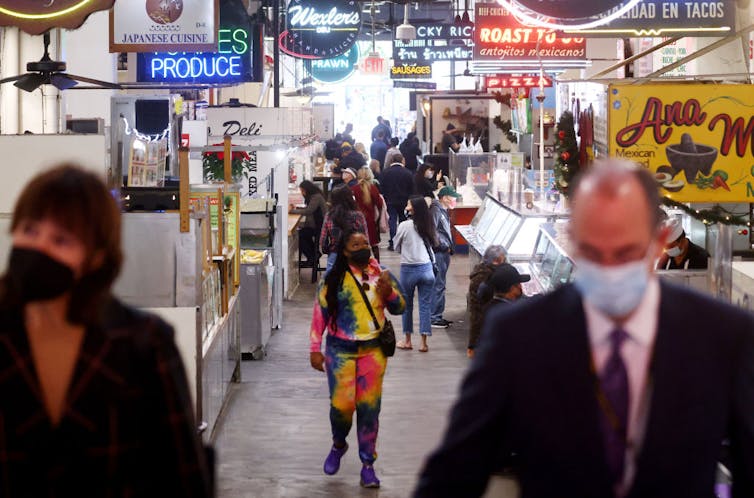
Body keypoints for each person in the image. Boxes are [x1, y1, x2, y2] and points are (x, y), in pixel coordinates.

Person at [414, 160, 754, 498]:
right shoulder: (519, 337)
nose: (609, 270)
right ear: (573, 238)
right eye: (593, 253)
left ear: (659, 240)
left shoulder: (722, 337)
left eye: (625, 253)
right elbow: (454, 472)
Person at [0, 165, 212, 496]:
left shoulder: (143, 344)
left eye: (61, 239)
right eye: (29, 229)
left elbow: (182, 476)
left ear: (96, 258)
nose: (39, 247)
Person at [309, 230, 406, 489]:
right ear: (345, 251)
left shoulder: (381, 274)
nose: (363, 247)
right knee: (341, 406)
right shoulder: (334, 279)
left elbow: (400, 308)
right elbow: (320, 312)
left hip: (373, 352)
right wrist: (314, 347)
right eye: (356, 244)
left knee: (369, 408)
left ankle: (367, 465)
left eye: (365, 243)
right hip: (340, 350)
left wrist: (390, 294)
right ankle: (339, 443)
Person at [394, 196, 437, 353]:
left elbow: (397, 246)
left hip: (409, 269)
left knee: (407, 305)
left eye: (408, 204)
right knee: (425, 306)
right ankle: (424, 343)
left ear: (412, 209)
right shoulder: (427, 223)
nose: (406, 205)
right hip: (426, 269)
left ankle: (407, 341)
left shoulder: (405, 225)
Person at [466, 245, 507, 358]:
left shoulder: (483, 271)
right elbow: (476, 316)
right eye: (504, 259)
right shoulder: (484, 278)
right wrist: (472, 346)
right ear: (496, 260)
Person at [429, 186, 460, 329]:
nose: (455, 201)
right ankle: (434, 317)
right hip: (439, 253)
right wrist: (443, 246)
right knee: (438, 284)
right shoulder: (436, 210)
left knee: (440, 284)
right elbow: (432, 231)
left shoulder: (442, 210)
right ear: (445, 198)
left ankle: (437, 315)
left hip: (443, 252)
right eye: (454, 198)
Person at [320, 186, 368, 272]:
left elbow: (323, 240)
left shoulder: (329, 215)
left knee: (331, 282)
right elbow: (365, 237)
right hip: (356, 255)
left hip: (335, 254)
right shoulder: (358, 215)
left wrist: (328, 250)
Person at [379, 153, 413, 252]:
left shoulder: (385, 172)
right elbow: (411, 188)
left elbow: (382, 187)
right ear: (402, 160)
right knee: (403, 221)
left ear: (392, 161)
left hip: (390, 200)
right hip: (404, 200)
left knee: (392, 221)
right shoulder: (408, 173)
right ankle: (403, 242)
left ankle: (393, 242)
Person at [290, 180, 327, 264]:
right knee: (302, 234)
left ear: (307, 189)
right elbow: (308, 209)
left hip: (319, 226)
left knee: (300, 236)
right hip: (317, 225)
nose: (302, 193)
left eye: (302, 191)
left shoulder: (316, 197)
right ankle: (314, 254)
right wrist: (296, 209)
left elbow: (308, 211)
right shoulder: (315, 196)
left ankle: (312, 257)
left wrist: (291, 211)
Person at [351, 167, 384, 262]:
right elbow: (380, 204)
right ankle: (377, 265)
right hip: (370, 221)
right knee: (374, 245)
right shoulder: (373, 188)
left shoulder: (353, 189)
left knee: (358, 244)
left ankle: (360, 264)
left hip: (356, 222)